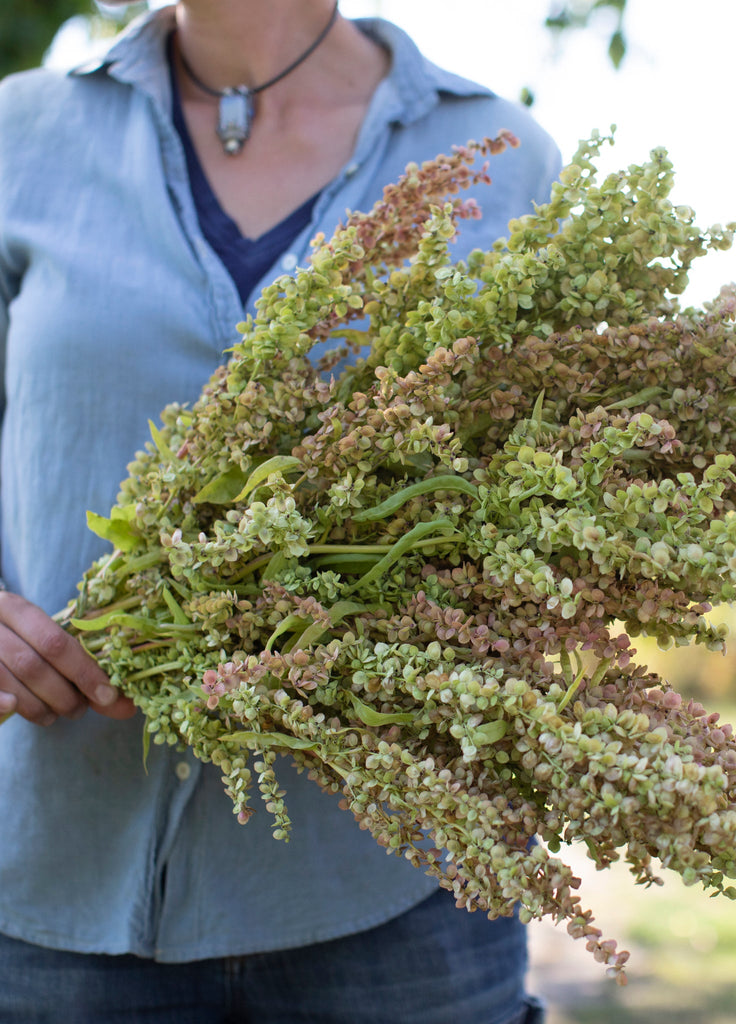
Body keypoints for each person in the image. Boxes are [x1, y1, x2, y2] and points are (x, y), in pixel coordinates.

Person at [0, 2, 562, 1020]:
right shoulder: (19, 137)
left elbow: (553, 501)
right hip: (56, 869)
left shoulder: (501, 158)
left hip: (394, 886)